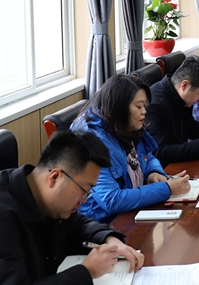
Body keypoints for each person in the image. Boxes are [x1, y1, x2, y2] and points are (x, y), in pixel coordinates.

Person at [0, 129, 144, 284]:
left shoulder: (40, 194)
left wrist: (110, 240)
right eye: (85, 190)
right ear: (55, 177)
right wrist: (86, 272)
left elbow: (78, 225)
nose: (85, 200)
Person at [70, 74, 191, 223]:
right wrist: (166, 189)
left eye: (144, 106)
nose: (144, 112)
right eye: (139, 107)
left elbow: (147, 155)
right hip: (106, 223)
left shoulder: (123, 124)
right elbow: (111, 200)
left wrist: (152, 173)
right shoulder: (92, 141)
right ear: (119, 107)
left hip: (132, 211)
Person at [145, 56, 199, 166]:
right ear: (184, 85)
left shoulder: (181, 96)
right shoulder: (156, 105)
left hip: (179, 165)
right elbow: (159, 153)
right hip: (163, 170)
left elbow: (189, 126)